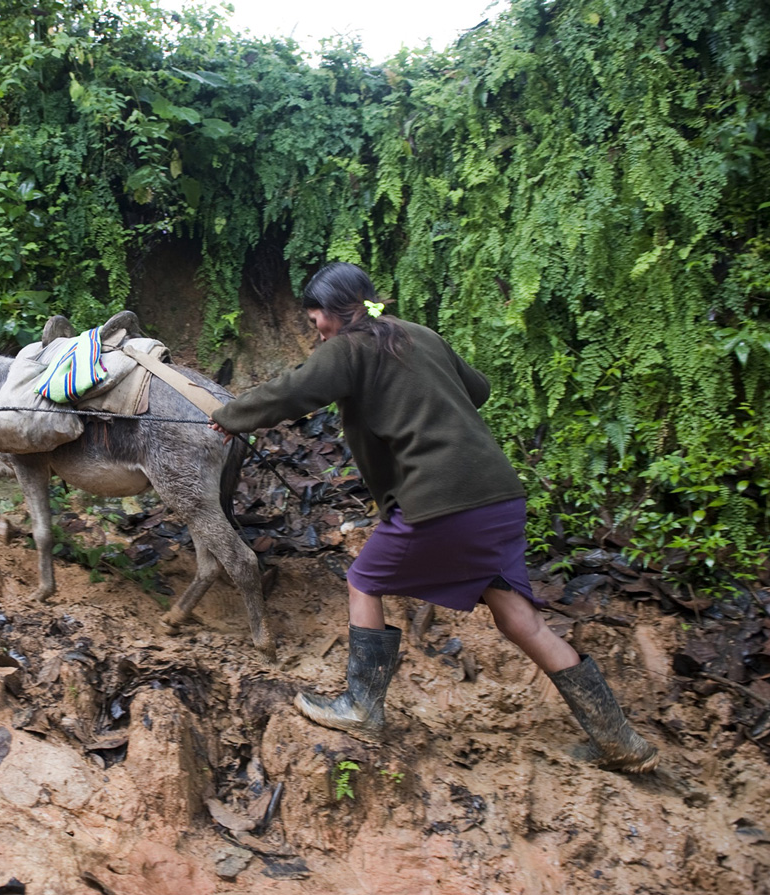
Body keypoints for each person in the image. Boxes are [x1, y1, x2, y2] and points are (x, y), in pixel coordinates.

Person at [209, 262, 658, 773]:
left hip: (442, 501)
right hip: (500, 497)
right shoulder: (417, 334)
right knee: (519, 618)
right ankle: (619, 739)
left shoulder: (349, 348)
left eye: (317, 322)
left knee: (364, 580)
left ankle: (361, 706)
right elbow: (479, 389)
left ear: (337, 313)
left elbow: (292, 392)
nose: (319, 333)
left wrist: (229, 416)